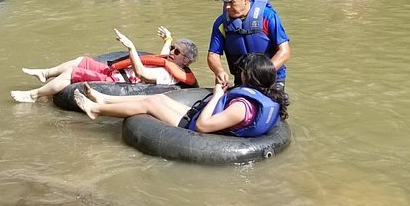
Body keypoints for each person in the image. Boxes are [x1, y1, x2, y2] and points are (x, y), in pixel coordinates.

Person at [73, 53, 289, 139]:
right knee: (161, 99)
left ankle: (96, 110)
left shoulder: (242, 107)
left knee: (150, 102)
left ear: (249, 75)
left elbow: (203, 127)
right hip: (202, 118)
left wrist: (216, 95)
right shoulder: (267, 97)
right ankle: (105, 99)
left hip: (197, 128)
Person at [11, 26, 198, 103]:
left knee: (72, 72)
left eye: (177, 51)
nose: (172, 52)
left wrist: (131, 47)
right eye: (173, 48)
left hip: (118, 81)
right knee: (80, 60)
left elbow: (141, 74)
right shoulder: (170, 61)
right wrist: (168, 38)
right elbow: (164, 54)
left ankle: (33, 95)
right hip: (115, 71)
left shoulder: (169, 75)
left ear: (186, 61)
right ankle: (46, 73)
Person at [207, 0, 290, 89]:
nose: (227, 6)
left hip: (270, 79)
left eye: (231, 2)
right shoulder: (221, 23)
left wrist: (262, 74)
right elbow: (213, 55)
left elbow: (284, 51)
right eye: (224, 2)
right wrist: (219, 71)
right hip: (242, 79)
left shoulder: (267, 17)